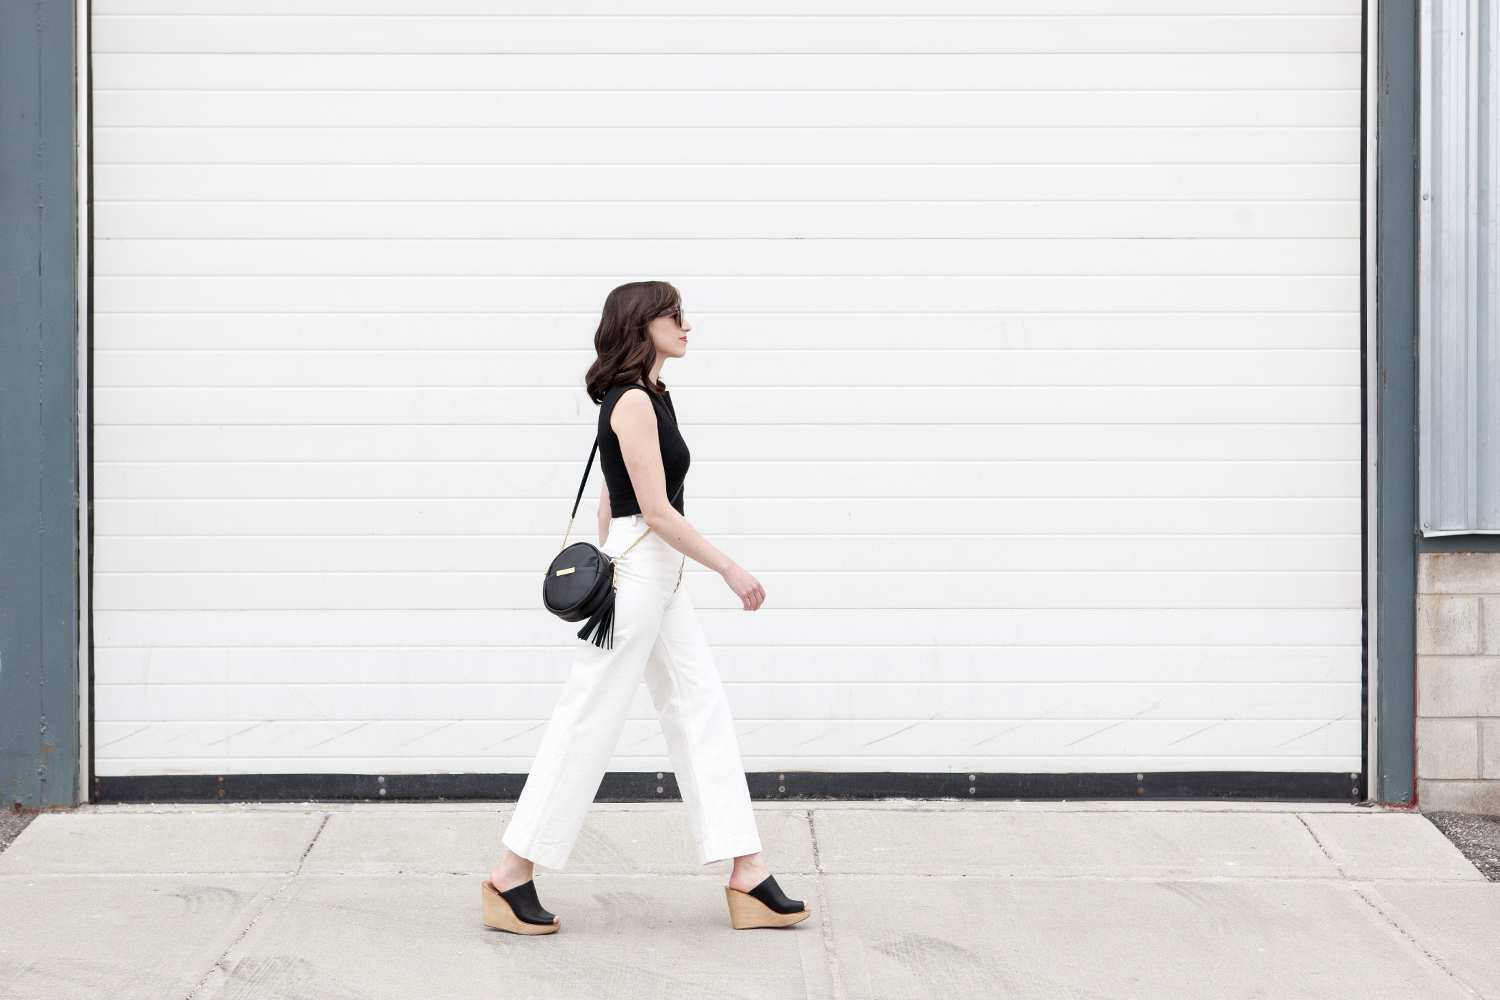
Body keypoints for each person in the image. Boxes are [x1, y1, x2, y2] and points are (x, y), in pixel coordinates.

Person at [480, 281, 810, 935]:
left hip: (658, 573)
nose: (689, 326)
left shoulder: (652, 396)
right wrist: (728, 567)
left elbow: (611, 493)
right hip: (641, 571)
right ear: (642, 324)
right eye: (675, 316)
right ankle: (509, 875)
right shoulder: (630, 400)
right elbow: (653, 511)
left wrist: (639, 554)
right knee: (589, 717)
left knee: (699, 707)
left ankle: (748, 870)